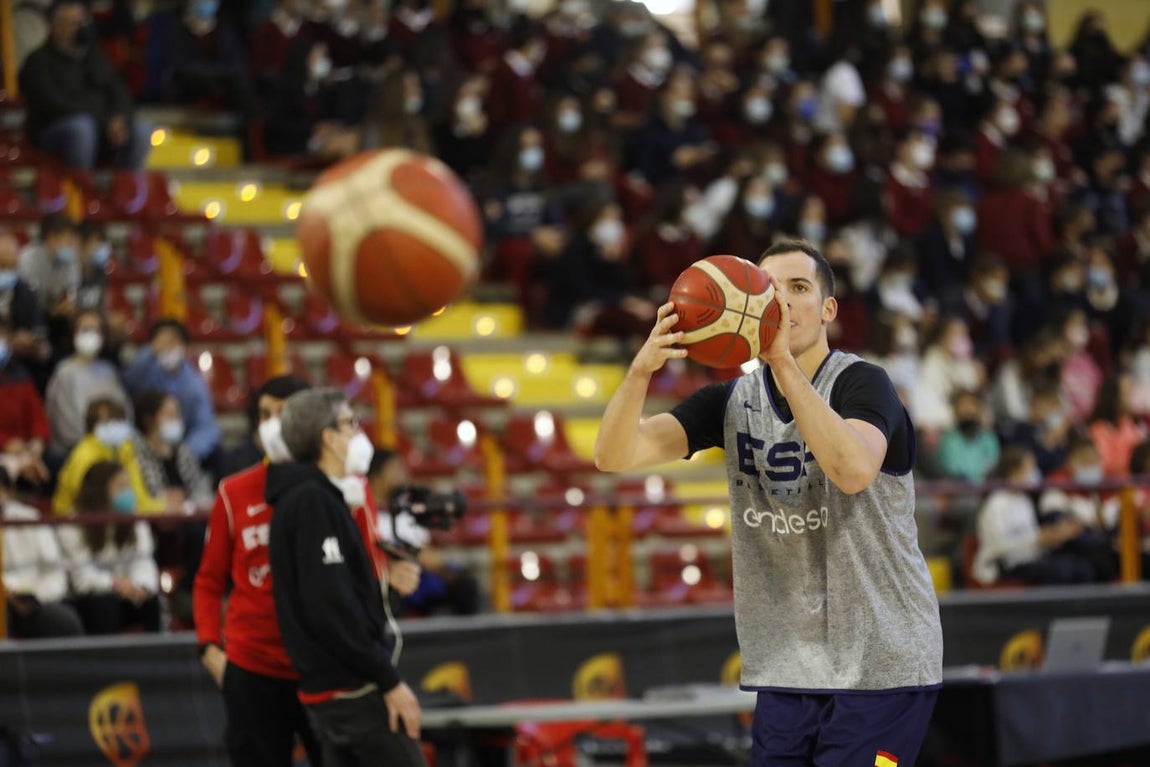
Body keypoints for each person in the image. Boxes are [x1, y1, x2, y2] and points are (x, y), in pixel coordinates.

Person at [594, 239, 942, 766]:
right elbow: (614, 455)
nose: (778, 300)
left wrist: (780, 361)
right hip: (788, 664)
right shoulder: (732, 401)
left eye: (797, 288)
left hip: (882, 661)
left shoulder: (863, 384)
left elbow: (851, 471)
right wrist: (640, 372)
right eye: (766, 286)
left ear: (828, 309)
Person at [193, 377, 419, 767]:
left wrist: (392, 578)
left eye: (283, 413)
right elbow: (209, 581)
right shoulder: (236, 491)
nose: (274, 424)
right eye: (265, 414)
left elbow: (362, 572)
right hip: (256, 666)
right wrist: (210, 648)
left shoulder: (349, 490)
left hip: (319, 667)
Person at [269, 389, 425, 767]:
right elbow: (330, 607)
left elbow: (334, 592)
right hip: (349, 687)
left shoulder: (318, 497)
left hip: (336, 685)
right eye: (350, 423)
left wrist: (382, 586)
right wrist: (386, 679)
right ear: (328, 437)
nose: (358, 433)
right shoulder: (311, 501)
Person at [18, 0, 151, 169]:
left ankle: (127, 188)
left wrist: (119, 118)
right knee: (81, 128)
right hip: (56, 128)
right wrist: (104, 121)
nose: (80, 28)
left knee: (142, 130)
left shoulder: (95, 56)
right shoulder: (38, 61)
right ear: (55, 27)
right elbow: (53, 104)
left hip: (103, 124)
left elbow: (118, 90)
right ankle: (82, 185)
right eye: (73, 23)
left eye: (82, 22)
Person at [366, 449, 481, 617]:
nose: (402, 474)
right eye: (395, 469)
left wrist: (442, 568)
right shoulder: (365, 513)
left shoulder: (406, 511)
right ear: (376, 475)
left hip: (419, 574)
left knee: (465, 585)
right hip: (387, 577)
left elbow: (426, 553)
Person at [57, 461, 161, 634]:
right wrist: (115, 584)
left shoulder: (134, 520)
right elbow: (82, 578)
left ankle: (157, 657)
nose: (128, 492)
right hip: (89, 598)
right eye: (120, 486)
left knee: (152, 601)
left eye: (128, 485)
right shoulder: (73, 525)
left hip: (127, 592)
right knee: (104, 604)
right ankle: (105, 660)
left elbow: (144, 561)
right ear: (99, 492)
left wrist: (141, 585)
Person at [2, 467, 84, 638]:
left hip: (34, 600)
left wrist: (35, 599)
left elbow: (54, 571)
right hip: (4, 600)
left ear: (9, 491)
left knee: (64, 621)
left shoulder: (31, 519)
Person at [124, 319, 221, 462]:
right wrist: (150, 352)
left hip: (182, 447)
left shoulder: (194, 384)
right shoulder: (144, 370)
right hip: (143, 446)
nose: (166, 348)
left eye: (172, 342)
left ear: (185, 348)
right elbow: (127, 381)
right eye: (161, 343)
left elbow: (206, 427)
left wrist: (184, 454)